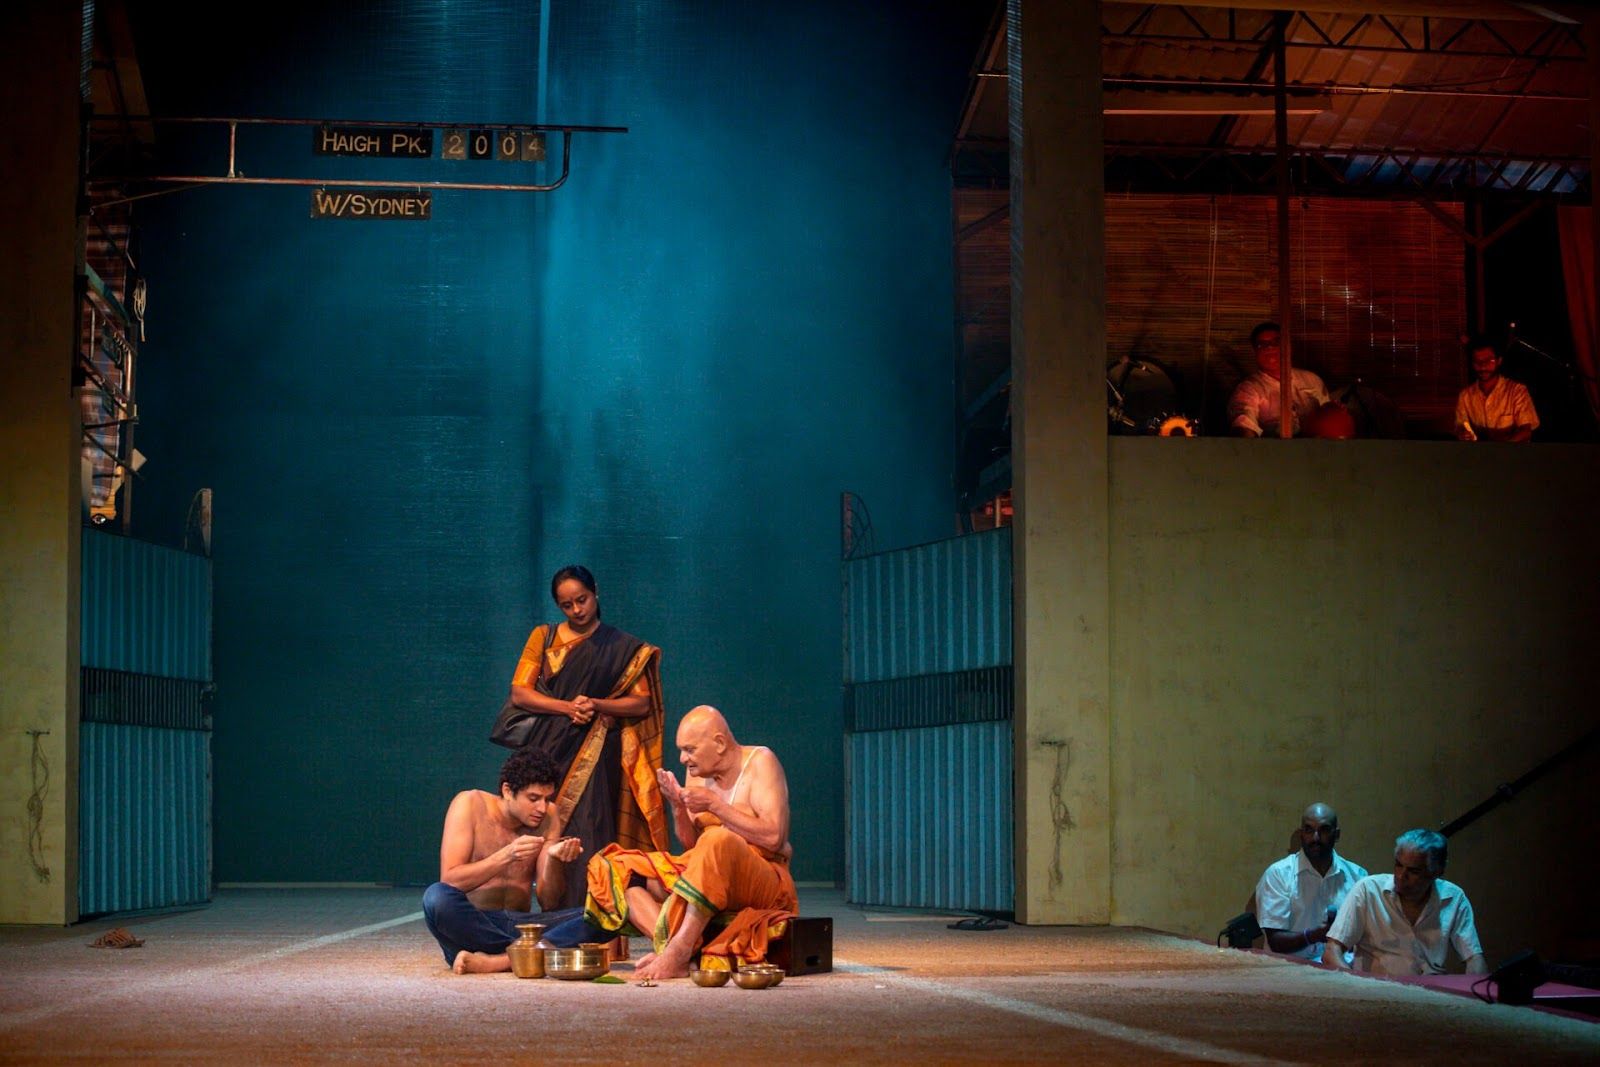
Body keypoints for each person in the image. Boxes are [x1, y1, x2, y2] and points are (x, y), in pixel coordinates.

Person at [490, 565, 668, 907]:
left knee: (590, 829)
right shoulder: (543, 636)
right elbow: (520, 693)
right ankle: (540, 915)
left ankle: (592, 917)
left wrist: (597, 704)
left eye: (582, 600)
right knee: (538, 831)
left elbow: (642, 703)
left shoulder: (621, 647)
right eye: (567, 605)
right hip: (545, 753)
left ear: (595, 591)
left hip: (595, 755)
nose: (576, 610)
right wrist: (568, 708)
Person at [582, 705, 798, 981]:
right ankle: (678, 950)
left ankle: (678, 952)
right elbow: (693, 847)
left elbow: (774, 837)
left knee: (718, 838)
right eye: (681, 750)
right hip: (708, 871)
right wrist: (677, 807)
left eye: (690, 750)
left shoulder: (761, 762)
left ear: (719, 743)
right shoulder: (698, 772)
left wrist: (715, 806)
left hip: (763, 878)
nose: (683, 758)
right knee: (614, 866)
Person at [421, 745, 611, 974]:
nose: (542, 808)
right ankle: (532, 952)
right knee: (436, 898)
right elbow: (451, 881)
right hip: (475, 926)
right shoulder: (469, 804)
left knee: (607, 911)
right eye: (533, 798)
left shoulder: (549, 816)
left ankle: (502, 961)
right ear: (508, 791)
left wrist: (553, 859)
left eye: (547, 798)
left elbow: (549, 901)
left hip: (525, 927)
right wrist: (506, 855)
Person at [1323, 828, 1486, 976]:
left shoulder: (1453, 898)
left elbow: (1474, 959)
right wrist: (1357, 987)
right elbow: (1331, 951)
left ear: (1437, 871)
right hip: (1376, 989)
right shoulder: (1368, 890)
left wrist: (1475, 992)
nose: (1401, 876)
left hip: (1430, 990)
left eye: (1413, 871)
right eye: (1398, 865)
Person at [1253, 803, 1368, 963]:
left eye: (1324, 830)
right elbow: (1275, 941)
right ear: (1301, 834)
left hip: (1342, 968)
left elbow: (1365, 936)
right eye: (1309, 830)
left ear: (1337, 835)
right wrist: (1312, 936)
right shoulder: (1279, 874)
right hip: (1291, 969)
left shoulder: (1357, 876)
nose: (1315, 838)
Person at [1228, 322, 1332, 437]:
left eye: (1276, 342)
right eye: (1262, 344)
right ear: (1255, 351)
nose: (1270, 347)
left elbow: (1330, 415)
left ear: (1288, 346)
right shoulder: (1248, 389)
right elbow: (1244, 422)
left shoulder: (1312, 380)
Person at [1455, 337, 1538, 442]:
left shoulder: (1517, 391)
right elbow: (1461, 426)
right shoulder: (1465, 396)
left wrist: (1501, 448)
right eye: (1477, 361)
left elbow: (1526, 431)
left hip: (1510, 451)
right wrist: (1463, 434)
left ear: (1499, 361)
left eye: (1489, 360)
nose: (1483, 366)